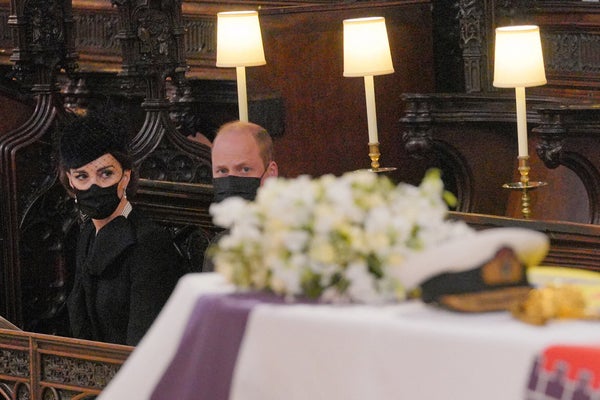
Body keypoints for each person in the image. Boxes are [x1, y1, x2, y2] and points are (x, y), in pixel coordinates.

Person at [57, 112, 185, 346]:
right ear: (70, 181)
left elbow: (144, 343)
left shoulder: (149, 244)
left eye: (106, 173)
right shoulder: (85, 233)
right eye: (82, 176)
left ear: (125, 176)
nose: (93, 185)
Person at [202, 120, 278, 272]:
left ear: (271, 173)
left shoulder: (295, 238)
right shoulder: (220, 246)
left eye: (244, 169)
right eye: (222, 171)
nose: (230, 182)